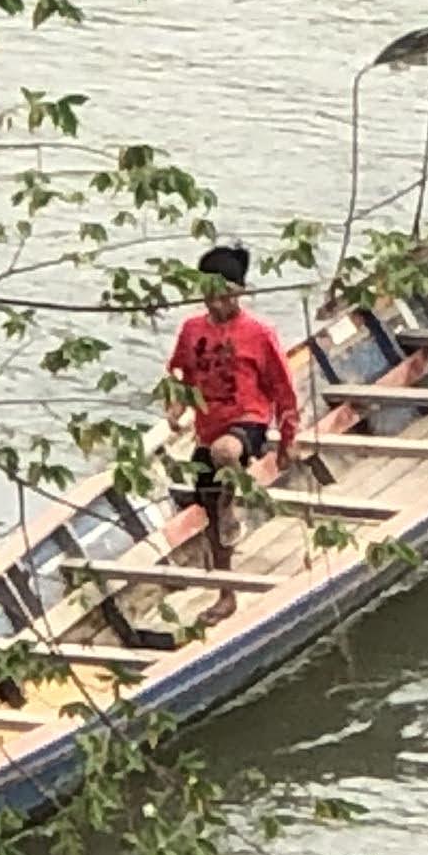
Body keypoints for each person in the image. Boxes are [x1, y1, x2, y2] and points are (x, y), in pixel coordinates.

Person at [162, 244, 301, 599]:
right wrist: (177, 405)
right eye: (208, 296)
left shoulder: (259, 333)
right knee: (210, 511)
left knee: (226, 452)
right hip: (208, 427)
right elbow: (182, 373)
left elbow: (283, 389)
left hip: (248, 421)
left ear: (239, 292)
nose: (215, 304)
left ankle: (230, 503)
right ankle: (227, 594)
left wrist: (287, 440)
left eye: (222, 296)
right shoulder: (193, 329)